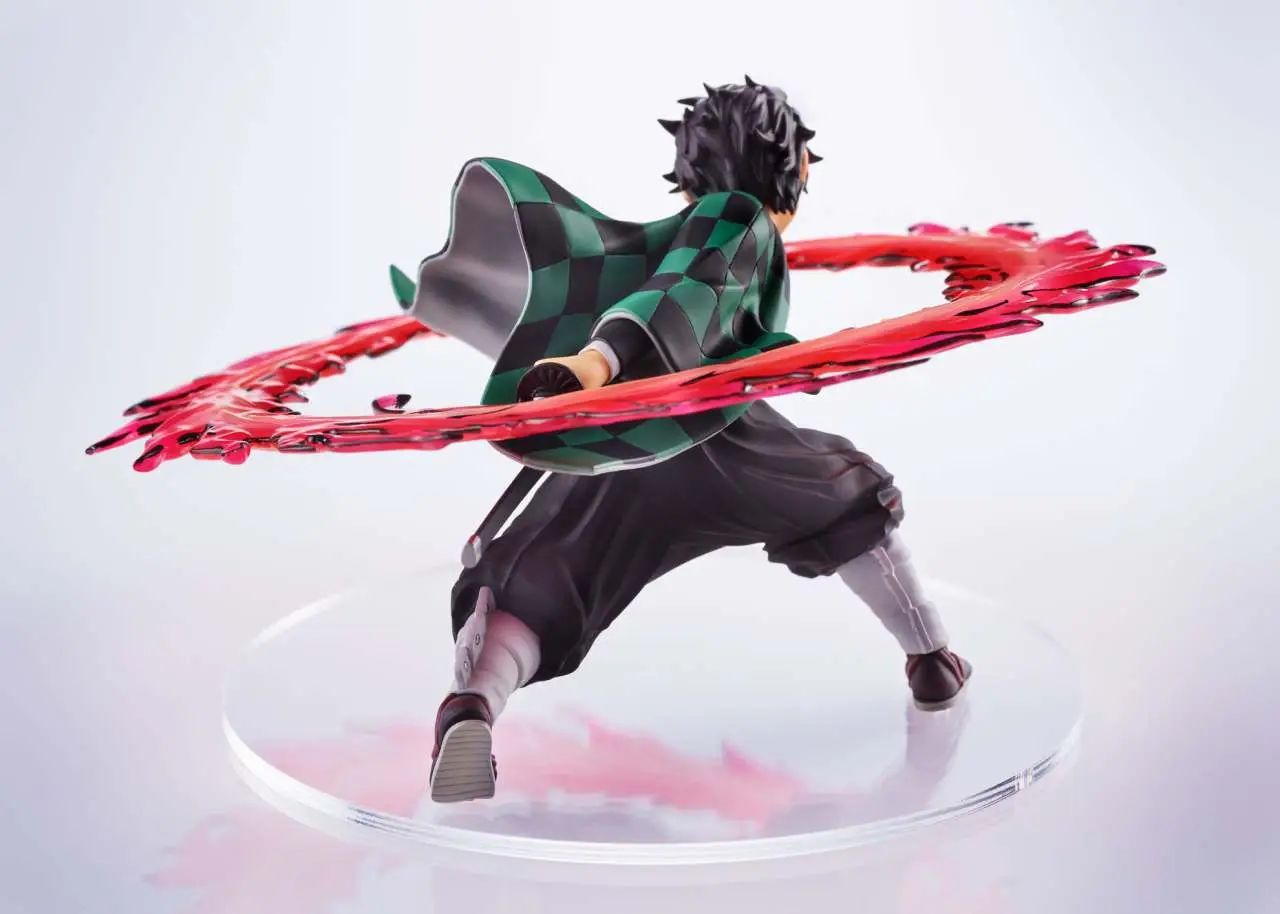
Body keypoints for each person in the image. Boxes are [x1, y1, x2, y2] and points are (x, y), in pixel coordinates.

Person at [404, 78, 972, 804]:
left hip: (626, 452)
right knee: (850, 496)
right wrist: (596, 363)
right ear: (787, 164)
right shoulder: (735, 217)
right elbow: (680, 292)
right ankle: (932, 659)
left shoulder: (669, 232)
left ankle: (471, 705)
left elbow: (637, 285)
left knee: (546, 572)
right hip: (711, 436)